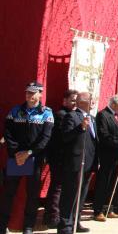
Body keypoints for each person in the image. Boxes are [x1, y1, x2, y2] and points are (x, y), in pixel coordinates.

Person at [0, 82, 54, 234]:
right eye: (27, 93)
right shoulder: (15, 111)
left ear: (40, 94)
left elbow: (45, 138)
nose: (29, 95)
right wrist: (17, 153)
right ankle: (2, 225)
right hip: (15, 158)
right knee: (8, 193)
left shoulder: (46, 113)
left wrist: (29, 153)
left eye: (33, 92)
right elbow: (8, 132)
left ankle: (28, 226)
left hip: (34, 159)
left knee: (32, 196)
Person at [57, 92, 96, 234]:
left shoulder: (92, 118)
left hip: (88, 162)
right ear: (82, 102)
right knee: (70, 194)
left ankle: (76, 221)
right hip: (75, 162)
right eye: (91, 100)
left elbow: (93, 142)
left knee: (82, 195)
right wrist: (80, 127)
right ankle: (65, 225)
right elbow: (65, 137)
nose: (93, 102)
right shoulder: (71, 116)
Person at [94, 94, 118, 221]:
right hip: (107, 154)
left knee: (113, 182)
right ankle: (98, 210)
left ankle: (109, 208)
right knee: (103, 183)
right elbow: (104, 135)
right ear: (114, 104)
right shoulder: (103, 115)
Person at [45, 89, 77, 228]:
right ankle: (52, 217)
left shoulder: (73, 115)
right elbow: (62, 138)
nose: (75, 103)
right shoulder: (61, 115)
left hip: (67, 158)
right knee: (57, 187)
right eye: (72, 100)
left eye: (77, 100)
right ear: (64, 101)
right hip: (59, 157)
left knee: (63, 187)